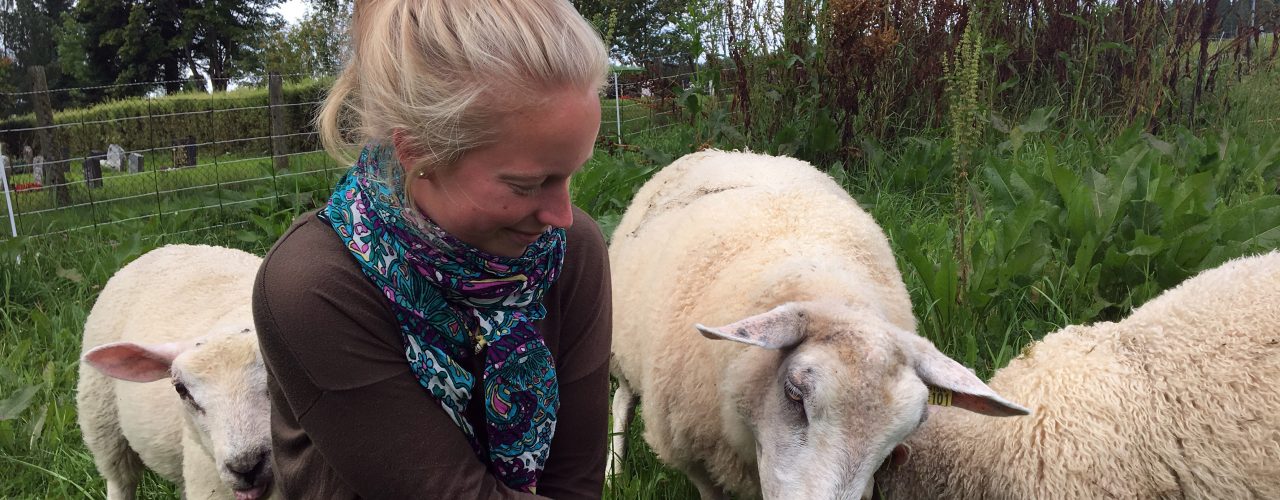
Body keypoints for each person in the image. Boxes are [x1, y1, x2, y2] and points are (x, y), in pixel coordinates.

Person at [251, 1, 612, 498]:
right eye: (528, 184)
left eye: (572, 173)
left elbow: (575, 480)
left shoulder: (569, 251)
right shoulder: (315, 284)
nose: (563, 215)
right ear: (417, 151)